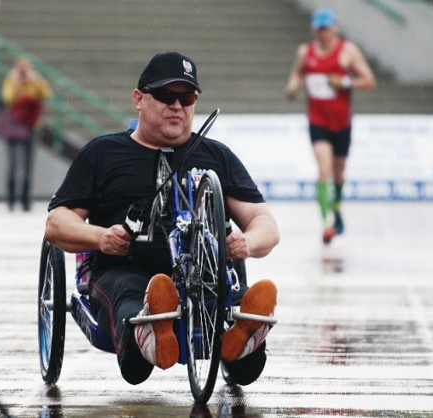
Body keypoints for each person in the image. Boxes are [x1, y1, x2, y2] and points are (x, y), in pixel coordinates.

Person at [45, 51, 280, 386]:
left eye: (186, 98)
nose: (177, 106)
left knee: (243, 353)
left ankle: (244, 336)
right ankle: (151, 332)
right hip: (123, 270)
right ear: (138, 99)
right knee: (130, 298)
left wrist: (247, 242)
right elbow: (56, 223)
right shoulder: (102, 153)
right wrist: (100, 237)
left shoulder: (217, 156)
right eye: (166, 96)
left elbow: (264, 222)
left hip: (205, 276)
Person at [284, 9, 376, 244]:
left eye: (327, 28)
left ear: (335, 28)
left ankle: (336, 207)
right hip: (318, 121)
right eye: (320, 29)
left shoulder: (347, 51)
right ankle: (326, 224)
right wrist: (293, 86)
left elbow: (369, 80)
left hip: (342, 122)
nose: (323, 33)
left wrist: (345, 81)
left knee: (339, 171)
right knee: (323, 170)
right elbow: (297, 74)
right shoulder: (305, 52)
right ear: (315, 29)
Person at [0, 57, 52, 211]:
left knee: (28, 165)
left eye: (26, 68)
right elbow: (7, 98)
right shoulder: (11, 80)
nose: (23, 72)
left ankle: (25, 200)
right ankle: (11, 199)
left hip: (31, 127)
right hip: (14, 127)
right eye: (20, 68)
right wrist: (16, 83)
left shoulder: (33, 81)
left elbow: (46, 93)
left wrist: (35, 79)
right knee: (13, 164)